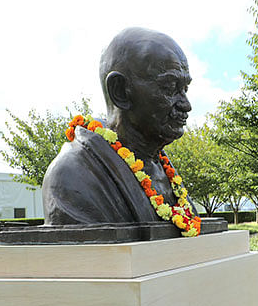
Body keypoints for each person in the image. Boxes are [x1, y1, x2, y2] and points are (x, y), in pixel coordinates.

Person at [43, 27, 194, 224]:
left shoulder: (162, 168)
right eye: (169, 87)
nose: (186, 105)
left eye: (185, 89)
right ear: (120, 91)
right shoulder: (72, 177)